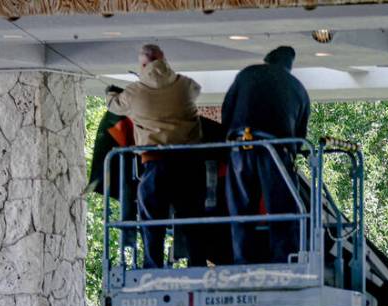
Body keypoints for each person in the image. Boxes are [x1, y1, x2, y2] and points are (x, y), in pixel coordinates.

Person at [107, 43, 204, 269]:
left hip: (154, 164)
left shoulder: (134, 92)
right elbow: (197, 91)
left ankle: (153, 266)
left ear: (143, 64)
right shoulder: (185, 85)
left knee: (152, 221)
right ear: (164, 58)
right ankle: (197, 263)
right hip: (188, 164)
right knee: (192, 219)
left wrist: (111, 92)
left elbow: (113, 105)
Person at [221, 46, 310, 265]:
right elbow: (300, 136)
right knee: (281, 209)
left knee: (241, 208)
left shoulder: (247, 74)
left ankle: (243, 261)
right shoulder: (298, 89)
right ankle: (284, 260)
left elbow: (227, 111)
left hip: (241, 146)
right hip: (278, 151)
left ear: (268, 60)